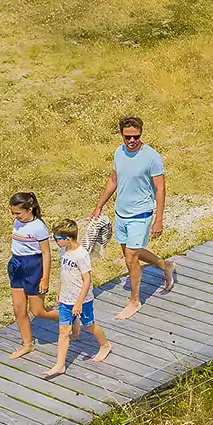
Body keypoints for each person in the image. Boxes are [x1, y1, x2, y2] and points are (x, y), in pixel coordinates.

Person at [89, 116, 174, 320]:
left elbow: (160, 189)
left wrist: (159, 219)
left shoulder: (152, 156)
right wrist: (99, 206)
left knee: (130, 257)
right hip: (121, 213)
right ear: (121, 135)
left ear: (141, 134)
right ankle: (165, 266)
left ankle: (134, 301)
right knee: (131, 252)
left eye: (136, 136)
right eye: (128, 137)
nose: (132, 141)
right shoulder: (119, 152)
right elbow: (113, 180)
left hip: (141, 213)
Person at [44, 219, 113, 377]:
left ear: (67, 239)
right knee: (63, 331)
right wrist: (61, 290)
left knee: (89, 325)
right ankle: (60, 364)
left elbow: (87, 280)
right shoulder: (64, 252)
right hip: (66, 299)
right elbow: (65, 274)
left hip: (82, 299)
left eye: (57, 239)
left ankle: (105, 345)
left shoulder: (81, 255)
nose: (55, 242)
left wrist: (79, 302)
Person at [5, 192, 59, 360]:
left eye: (17, 213)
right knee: (19, 309)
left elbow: (46, 253)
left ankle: (68, 317)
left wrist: (45, 278)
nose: (14, 216)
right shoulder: (17, 222)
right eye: (12, 212)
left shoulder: (38, 227)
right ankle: (27, 344)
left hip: (33, 267)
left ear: (29, 210)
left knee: (37, 311)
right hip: (16, 266)